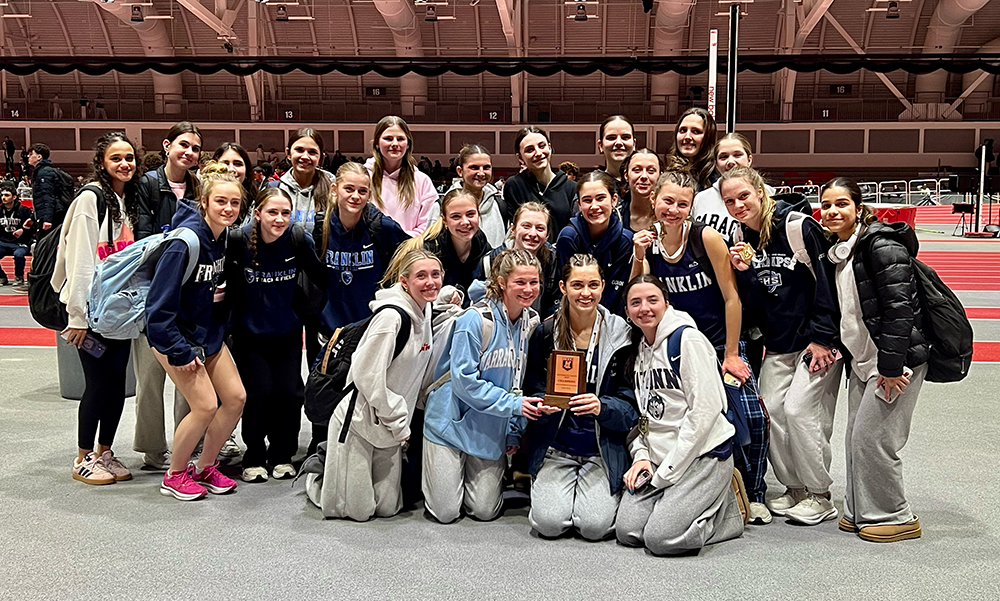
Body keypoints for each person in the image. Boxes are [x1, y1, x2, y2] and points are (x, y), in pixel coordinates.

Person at [630, 170, 770, 524]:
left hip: (720, 342)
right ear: (654, 200)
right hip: (676, 348)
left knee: (750, 416)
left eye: (682, 203)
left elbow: (731, 298)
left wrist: (732, 354)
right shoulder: (650, 244)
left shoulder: (705, 237)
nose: (673, 209)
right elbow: (637, 295)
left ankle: (753, 492)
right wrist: (636, 254)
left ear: (692, 206)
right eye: (667, 201)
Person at [721, 166, 843, 526]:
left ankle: (820, 494)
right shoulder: (746, 236)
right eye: (730, 200)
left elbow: (828, 284)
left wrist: (823, 338)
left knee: (801, 412)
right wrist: (744, 272)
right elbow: (761, 301)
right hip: (777, 343)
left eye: (744, 195)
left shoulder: (798, 226)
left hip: (814, 343)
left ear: (760, 191)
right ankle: (795, 488)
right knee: (771, 412)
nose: (738, 204)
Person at [819, 177, 928, 543]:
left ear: (858, 207)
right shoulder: (839, 250)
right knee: (854, 437)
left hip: (895, 362)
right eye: (827, 205)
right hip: (864, 360)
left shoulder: (881, 246)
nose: (833, 211)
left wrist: (892, 368)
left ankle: (895, 515)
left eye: (841, 204)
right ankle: (860, 510)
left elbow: (900, 311)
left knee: (874, 438)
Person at [615, 275, 747, 556]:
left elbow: (705, 413)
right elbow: (644, 416)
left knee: (661, 539)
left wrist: (666, 473)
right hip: (661, 458)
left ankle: (729, 513)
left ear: (666, 302)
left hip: (702, 454)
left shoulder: (687, 340)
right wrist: (641, 457)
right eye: (635, 303)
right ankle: (683, 504)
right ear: (626, 311)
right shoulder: (639, 349)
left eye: (653, 300)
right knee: (628, 531)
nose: (645, 308)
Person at [306, 249, 441, 520]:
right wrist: (399, 419)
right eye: (421, 276)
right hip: (359, 420)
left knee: (388, 508)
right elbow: (366, 376)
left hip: (389, 426)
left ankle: (339, 468)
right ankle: (320, 469)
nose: (430, 282)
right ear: (404, 282)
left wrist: (396, 423)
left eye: (435, 275)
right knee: (357, 512)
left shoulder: (426, 309)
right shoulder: (390, 318)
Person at [422, 249, 554, 523]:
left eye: (534, 282)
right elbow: (464, 383)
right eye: (520, 282)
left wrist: (514, 431)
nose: (528, 289)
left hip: (490, 428)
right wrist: (514, 406)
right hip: (449, 423)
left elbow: (519, 382)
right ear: (502, 281)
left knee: (484, 511)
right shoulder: (475, 319)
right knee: (445, 513)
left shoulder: (531, 322)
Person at [146, 162, 247, 501]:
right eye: (221, 202)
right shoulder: (184, 243)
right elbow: (157, 312)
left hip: (206, 333)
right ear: (204, 201)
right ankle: (174, 475)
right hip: (173, 336)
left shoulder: (224, 240)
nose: (228, 209)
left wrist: (213, 339)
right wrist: (181, 350)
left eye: (234, 203)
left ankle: (204, 467)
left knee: (235, 398)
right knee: (204, 405)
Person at [522, 254, 638, 541]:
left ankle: (590, 496)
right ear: (563, 287)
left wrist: (603, 406)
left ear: (603, 286)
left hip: (600, 450)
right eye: (577, 285)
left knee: (594, 528)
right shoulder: (546, 332)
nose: (585, 293)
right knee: (548, 525)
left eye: (593, 285)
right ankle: (557, 491)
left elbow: (631, 404)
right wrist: (541, 402)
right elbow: (532, 385)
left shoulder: (622, 335)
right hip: (556, 446)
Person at [50, 132, 140, 485]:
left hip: (116, 310)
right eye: (116, 158)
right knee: (98, 385)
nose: (125, 164)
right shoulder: (92, 199)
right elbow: (81, 262)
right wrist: (78, 317)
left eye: (130, 157)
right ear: (101, 162)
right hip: (90, 311)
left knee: (117, 385)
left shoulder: (123, 200)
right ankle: (83, 457)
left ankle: (105, 451)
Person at [226, 187, 326, 483]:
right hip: (249, 335)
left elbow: (320, 277)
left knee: (289, 395)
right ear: (257, 214)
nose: (280, 219)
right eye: (272, 212)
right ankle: (254, 455)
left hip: (288, 333)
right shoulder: (238, 241)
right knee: (258, 394)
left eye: (286, 213)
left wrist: (305, 310)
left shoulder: (297, 239)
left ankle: (282, 455)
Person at [132, 122, 205, 470]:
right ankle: (151, 448)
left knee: (185, 376)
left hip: (188, 294)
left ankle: (184, 442)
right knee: (149, 378)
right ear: (167, 145)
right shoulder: (147, 183)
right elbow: (142, 237)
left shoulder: (198, 186)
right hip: (152, 290)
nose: (189, 152)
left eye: (195, 148)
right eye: (183, 145)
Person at [315, 161, 409, 342]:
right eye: (349, 189)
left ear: (369, 195)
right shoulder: (322, 226)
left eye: (362, 191)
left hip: (371, 331)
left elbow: (412, 258)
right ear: (334, 189)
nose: (355, 196)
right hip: (330, 332)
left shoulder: (382, 227)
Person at [556, 171, 633, 314]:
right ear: (579, 204)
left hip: (613, 318)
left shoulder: (626, 240)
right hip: (574, 314)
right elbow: (567, 290)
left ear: (614, 199)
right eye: (587, 200)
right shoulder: (568, 238)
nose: (594, 206)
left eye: (600, 198)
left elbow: (617, 292)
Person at [405, 188, 490, 305]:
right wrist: (444, 295)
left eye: (470, 214)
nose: (465, 222)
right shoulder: (430, 251)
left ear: (478, 214)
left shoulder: (481, 242)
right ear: (444, 220)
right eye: (456, 216)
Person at [482, 202, 559, 319]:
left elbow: (552, 304)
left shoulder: (552, 260)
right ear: (512, 229)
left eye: (540, 228)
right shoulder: (491, 261)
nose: (533, 233)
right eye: (526, 226)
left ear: (547, 234)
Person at [365, 116, 438, 236]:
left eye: (400, 139)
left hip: (410, 250)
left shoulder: (422, 181)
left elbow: (428, 224)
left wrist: (402, 242)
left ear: (408, 144)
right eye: (388, 139)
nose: (395, 144)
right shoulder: (363, 177)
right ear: (377, 143)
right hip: (370, 250)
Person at [502, 126, 577, 237]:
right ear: (520, 158)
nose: (538, 153)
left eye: (542, 146)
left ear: (550, 148)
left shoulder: (572, 187)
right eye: (530, 150)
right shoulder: (514, 185)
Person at [693, 133, 758, 245]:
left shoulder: (769, 194)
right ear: (716, 163)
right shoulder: (700, 198)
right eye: (724, 157)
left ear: (749, 159)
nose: (731, 162)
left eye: (737, 155)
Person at [437, 144, 507, 248]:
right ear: (460, 171)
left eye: (486, 167)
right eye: (474, 167)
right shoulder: (442, 205)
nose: (481, 173)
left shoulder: (500, 205)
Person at [271, 128, 332, 239]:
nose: (305, 156)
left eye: (312, 152)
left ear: (321, 158)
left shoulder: (333, 190)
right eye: (299, 150)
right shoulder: (274, 189)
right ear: (288, 153)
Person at [665, 107, 718, 192]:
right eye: (683, 130)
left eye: (696, 131)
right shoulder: (666, 178)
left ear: (708, 137)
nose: (687, 137)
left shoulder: (718, 181)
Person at [212, 142, 256, 226]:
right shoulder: (201, 204)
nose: (231, 169)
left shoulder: (258, 205)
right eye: (225, 163)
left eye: (238, 164)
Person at [618, 149, 661, 233]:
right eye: (637, 170)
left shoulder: (669, 215)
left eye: (651, 171)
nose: (644, 176)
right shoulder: (616, 216)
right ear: (626, 175)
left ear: (660, 176)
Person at [27, 144, 66, 237]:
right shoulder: (41, 172)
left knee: (45, 247)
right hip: (45, 215)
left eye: (31, 154)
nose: (28, 156)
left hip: (50, 217)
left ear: (39, 157)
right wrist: (33, 218)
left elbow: (48, 196)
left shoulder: (44, 173)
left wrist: (47, 219)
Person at [0, 180, 32, 286]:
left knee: (19, 255)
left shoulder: (24, 210)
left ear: (14, 197)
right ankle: (2, 277)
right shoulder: (0, 210)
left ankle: (19, 277)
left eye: (7, 195)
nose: (3, 197)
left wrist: (23, 230)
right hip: (4, 241)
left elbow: (34, 226)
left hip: (20, 242)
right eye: (2, 195)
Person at [597, 115, 636, 185]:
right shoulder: (590, 184)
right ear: (600, 145)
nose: (618, 142)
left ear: (634, 144)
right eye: (611, 137)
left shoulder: (649, 184)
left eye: (625, 137)